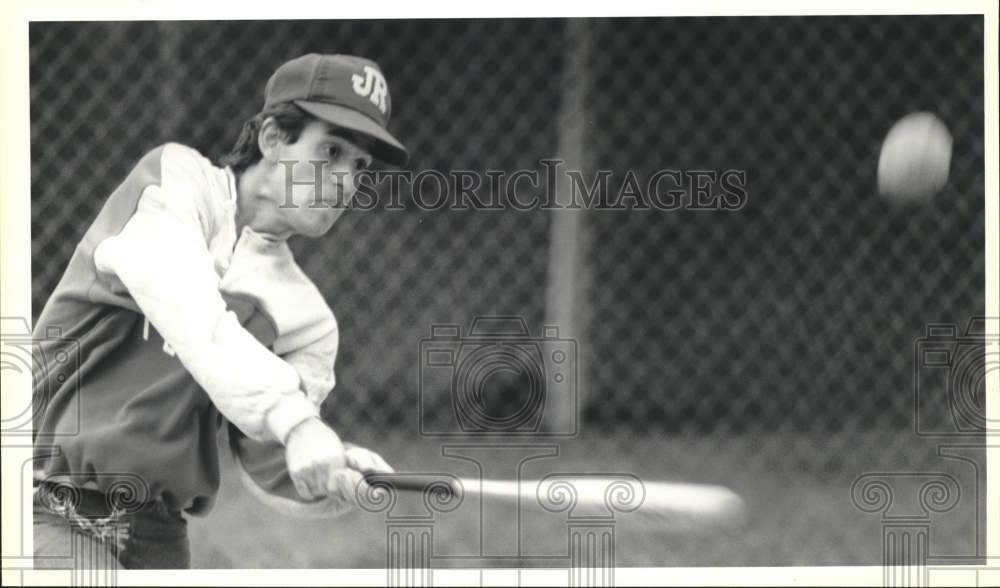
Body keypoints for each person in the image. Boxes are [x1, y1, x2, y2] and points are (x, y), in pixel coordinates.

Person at [31, 53, 407, 570]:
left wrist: (334, 475)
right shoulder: (174, 182)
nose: (346, 180)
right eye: (332, 151)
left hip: (159, 535)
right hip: (47, 502)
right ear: (273, 139)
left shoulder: (310, 320)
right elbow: (189, 308)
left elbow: (269, 457)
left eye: (360, 167)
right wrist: (298, 423)